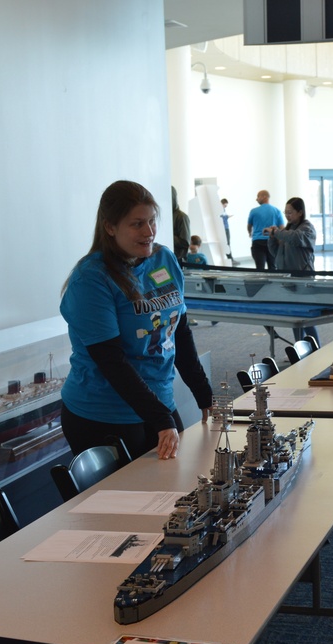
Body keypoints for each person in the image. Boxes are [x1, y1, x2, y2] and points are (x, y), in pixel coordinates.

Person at [59, 180, 212, 459]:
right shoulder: (92, 279)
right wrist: (161, 419)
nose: (149, 232)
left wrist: (204, 393)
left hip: (158, 403)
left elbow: (178, 331)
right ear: (110, 227)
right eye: (137, 224)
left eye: (152, 221)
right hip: (103, 413)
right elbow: (111, 360)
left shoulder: (163, 258)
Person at [266, 197, 319, 344]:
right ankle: (299, 348)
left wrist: (277, 232)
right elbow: (276, 253)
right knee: (294, 318)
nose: (287, 215)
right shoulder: (286, 230)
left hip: (304, 279)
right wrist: (272, 238)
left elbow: (296, 238)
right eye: (286, 212)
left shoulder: (307, 228)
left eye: (290, 212)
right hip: (288, 279)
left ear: (300, 212)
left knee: (306, 318)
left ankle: (316, 348)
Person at [247, 190, 283, 270]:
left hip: (258, 242)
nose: (256, 199)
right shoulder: (277, 211)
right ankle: (274, 282)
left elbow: (249, 226)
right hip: (272, 242)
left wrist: (250, 233)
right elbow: (282, 228)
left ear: (264, 197)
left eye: (258, 196)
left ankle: (261, 282)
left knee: (260, 268)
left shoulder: (253, 211)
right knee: (273, 267)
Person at [171, 186, 190, 261]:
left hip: (177, 258)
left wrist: (168, 236)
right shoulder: (165, 215)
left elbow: (185, 242)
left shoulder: (182, 217)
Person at [219, 198, 237, 263]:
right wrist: (227, 216)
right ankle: (230, 260)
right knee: (227, 244)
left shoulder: (223, 210)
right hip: (224, 228)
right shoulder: (220, 210)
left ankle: (230, 259)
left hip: (225, 228)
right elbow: (220, 218)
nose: (225, 207)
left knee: (228, 244)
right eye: (225, 205)